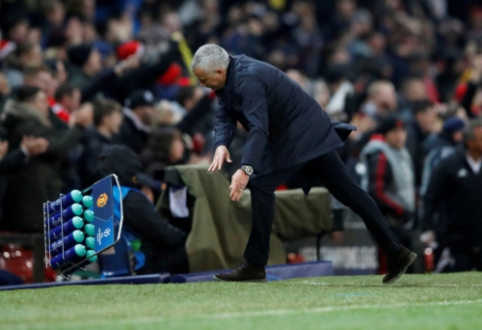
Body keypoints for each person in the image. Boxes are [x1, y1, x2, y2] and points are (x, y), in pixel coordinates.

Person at [191, 44, 416, 284]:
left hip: (300, 134)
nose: (202, 85)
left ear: (218, 71)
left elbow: (259, 128)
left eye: (204, 79)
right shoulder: (228, 76)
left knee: (259, 184)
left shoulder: (248, 79)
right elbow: (224, 115)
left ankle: (255, 265)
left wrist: (246, 169)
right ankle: (396, 252)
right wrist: (221, 144)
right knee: (348, 191)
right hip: (307, 129)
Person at [421, 119, 482, 272]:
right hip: (455, 239)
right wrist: (427, 226)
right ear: (470, 141)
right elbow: (431, 196)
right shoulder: (448, 164)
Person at [359, 117, 415, 271]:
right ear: (385, 134)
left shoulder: (403, 152)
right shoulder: (380, 154)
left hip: (402, 220)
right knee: (391, 264)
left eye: (402, 131)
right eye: (394, 131)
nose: (399, 135)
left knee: (408, 268)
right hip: (388, 220)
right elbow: (376, 191)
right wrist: (399, 210)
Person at [78, 98, 123, 188]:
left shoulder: (108, 142)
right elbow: (95, 175)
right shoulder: (94, 145)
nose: (120, 121)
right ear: (106, 119)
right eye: (117, 116)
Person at [115, 90, 155, 154]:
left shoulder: (140, 128)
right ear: (138, 110)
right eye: (150, 107)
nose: (154, 110)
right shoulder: (125, 129)